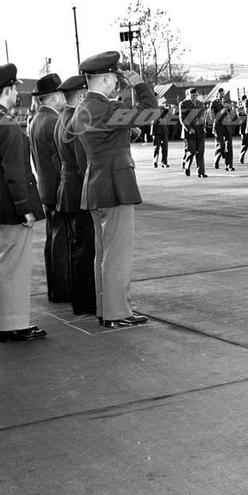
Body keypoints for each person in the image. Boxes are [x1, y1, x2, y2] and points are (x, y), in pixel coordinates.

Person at [69, 52, 157, 328]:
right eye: (115, 78)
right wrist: (140, 85)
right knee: (117, 254)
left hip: (95, 185)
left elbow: (81, 154)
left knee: (104, 253)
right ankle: (117, 312)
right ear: (106, 79)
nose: (117, 83)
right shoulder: (107, 109)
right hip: (116, 187)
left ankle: (105, 309)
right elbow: (150, 112)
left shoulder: (82, 109)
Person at [0, 64, 48, 342]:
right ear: (7, 89)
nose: (17, 93)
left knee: (3, 265)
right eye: (15, 88)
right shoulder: (7, 123)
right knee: (14, 267)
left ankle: (8, 322)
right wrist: (25, 207)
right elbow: (15, 171)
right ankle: (14, 325)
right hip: (11, 201)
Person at [53, 74, 96, 316]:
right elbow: (82, 161)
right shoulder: (75, 118)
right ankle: (85, 301)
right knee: (85, 248)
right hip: (78, 189)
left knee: (76, 246)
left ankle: (79, 297)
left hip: (66, 188)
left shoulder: (62, 117)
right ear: (80, 95)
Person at [27, 73, 69, 303]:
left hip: (45, 187)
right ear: (54, 96)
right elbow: (59, 160)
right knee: (62, 241)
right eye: (62, 93)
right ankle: (63, 289)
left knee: (52, 239)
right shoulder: (54, 120)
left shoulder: (35, 120)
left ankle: (54, 288)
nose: (65, 98)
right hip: (58, 188)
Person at [179, 86, 208, 177]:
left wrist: (204, 126)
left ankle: (201, 172)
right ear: (188, 95)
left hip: (200, 131)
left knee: (200, 152)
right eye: (192, 95)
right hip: (190, 132)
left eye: (196, 95)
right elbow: (182, 118)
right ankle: (187, 166)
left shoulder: (200, 104)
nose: (194, 97)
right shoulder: (183, 104)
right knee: (191, 151)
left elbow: (203, 116)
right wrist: (189, 128)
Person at [151, 96, 173, 168]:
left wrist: (166, 106)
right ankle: (155, 161)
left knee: (165, 147)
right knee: (156, 147)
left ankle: (164, 162)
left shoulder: (162, 107)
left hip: (164, 129)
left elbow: (167, 112)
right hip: (156, 129)